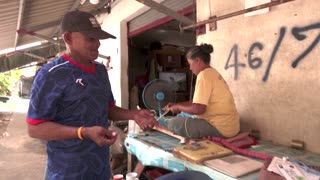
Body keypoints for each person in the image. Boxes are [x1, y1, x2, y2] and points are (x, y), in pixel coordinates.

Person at [26, 10, 157, 180]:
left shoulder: (100, 71)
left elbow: (109, 109)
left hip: (100, 168)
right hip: (67, 171)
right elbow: (34, 128)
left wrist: (133, 114)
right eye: (90, 38)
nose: (97, 44)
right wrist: (83, 132)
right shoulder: (51, 75)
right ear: (68, 39)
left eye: (97, 38)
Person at [162, 43, 240, 139]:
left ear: (198, 61)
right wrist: (176, 104)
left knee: (174, 123)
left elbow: (198, 109)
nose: (190, 68)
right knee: (184, 116)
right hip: (233, 127)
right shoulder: (213, 73)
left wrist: (178, 107)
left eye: (190, 64)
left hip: (221, 128)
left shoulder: (203, 75)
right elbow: (196, 102)